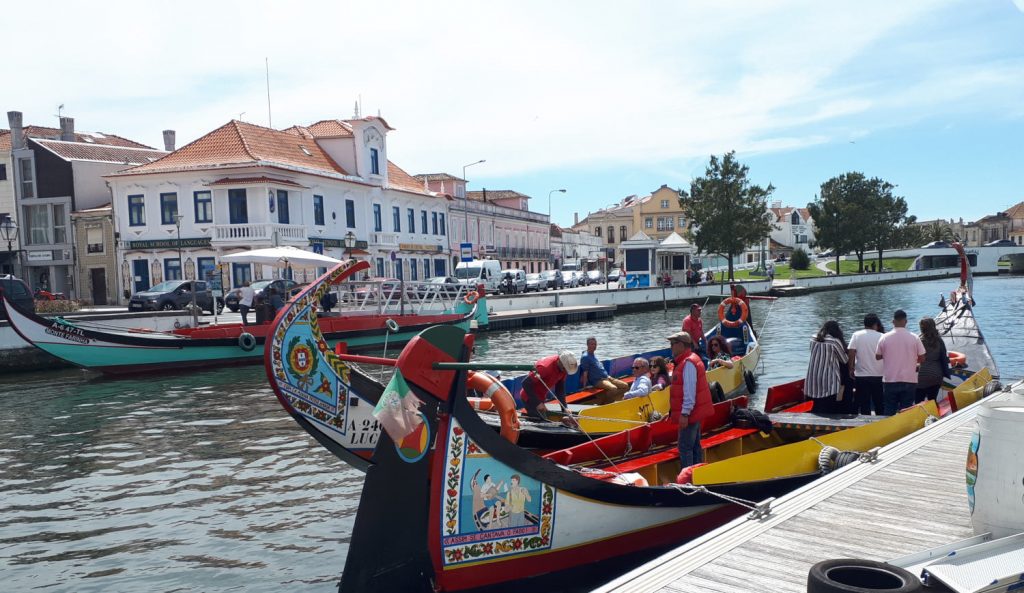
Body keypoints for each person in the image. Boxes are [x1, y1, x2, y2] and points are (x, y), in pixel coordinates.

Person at [667, 331, 713, 469]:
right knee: (694, 445)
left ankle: (688, 479)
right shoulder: (690, 360)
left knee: (685, 447)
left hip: (690, 414)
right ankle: (697, 474)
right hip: (694, 412)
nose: (671, 347)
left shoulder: (688, 363)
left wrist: (685, 413)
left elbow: (689, 391)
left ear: (681, 345)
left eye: (673, 344)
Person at [875, 309, 926, 416]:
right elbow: (922, 358)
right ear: (906, 321)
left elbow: (877, 356)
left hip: (890, 380)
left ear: (893, 321)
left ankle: (888, 429)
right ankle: (907, 430)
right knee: (907, 410)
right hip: (909, 379)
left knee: (889, 408)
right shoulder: (914, 337)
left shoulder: (884, 337)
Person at [518, 350, 578, 421]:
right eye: (564, 369)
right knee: (539, 421)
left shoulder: (564, 369)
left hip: (541, 396)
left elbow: (560, 389)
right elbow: (525, 383)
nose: (565, 372)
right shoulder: (545, 367)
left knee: (543, 418)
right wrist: (538, 403)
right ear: (560, 362)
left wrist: (564, 408)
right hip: (529, 397)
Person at [804, 320, 849, 414]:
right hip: (828, 380)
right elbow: (844, 360)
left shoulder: (813, 338)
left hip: (812, 379)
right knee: (829, 406)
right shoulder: (834, 342)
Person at [848, 313, 885, 415]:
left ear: (864, 324)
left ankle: (866, 421)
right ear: (875, 324)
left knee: (865, 402)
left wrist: (851, 368)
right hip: (879, 374)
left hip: (861, 374)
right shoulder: (882, 336)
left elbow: (851, 352)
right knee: (879, 401)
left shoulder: (856, 335)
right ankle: (880, 422)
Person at [579, 337, 629, 403]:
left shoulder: (592, 354)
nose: (594, 346)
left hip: (607, 377)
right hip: (598, 381)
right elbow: (585, 372)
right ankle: (606, 403)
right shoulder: (585, 357)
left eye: (595, 344)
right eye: (592, 344)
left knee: (625, 386)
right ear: (587, 345)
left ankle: (607, 397)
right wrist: (584, 386)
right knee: (613, 388)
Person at [916, 317, 951, 403]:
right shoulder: (939, 341)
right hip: (936, 375)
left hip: (922, 375)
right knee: (932, 400)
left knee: (918, 401)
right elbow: (944, 358)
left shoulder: (919, 341)